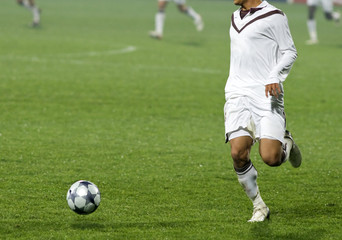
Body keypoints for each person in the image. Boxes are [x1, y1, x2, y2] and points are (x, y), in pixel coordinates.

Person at [224, 0, 302, 222]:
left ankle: (286, 143)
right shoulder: (235, 17)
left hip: (267, 93)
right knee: (238, 153)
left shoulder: (275, 15)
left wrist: (274, 75)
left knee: (270, 157)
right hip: (237, 94)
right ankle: (259, 206)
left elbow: (290, 51)